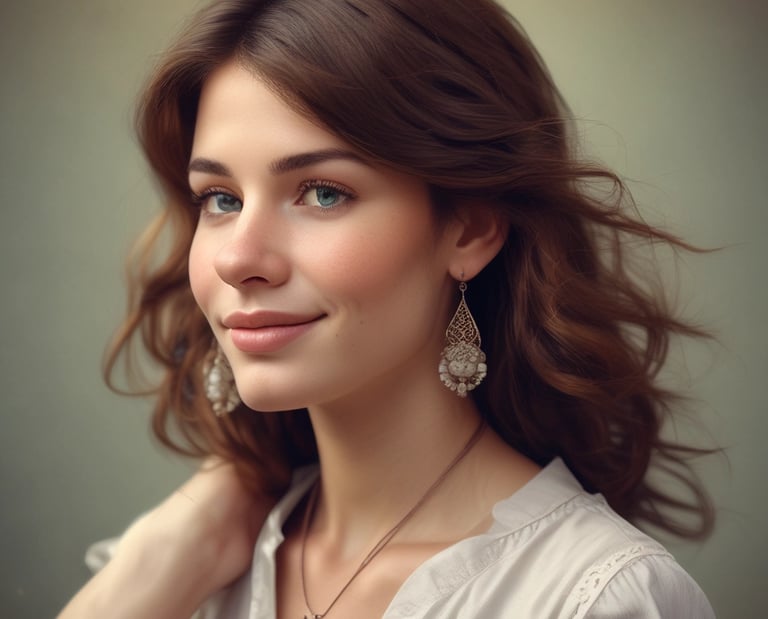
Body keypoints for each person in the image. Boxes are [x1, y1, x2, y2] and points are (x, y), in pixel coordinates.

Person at [58, 0, 717, 617]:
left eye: (322, 193)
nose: (237, 259)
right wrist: (160, 562)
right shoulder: (190, 573)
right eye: (221, 199)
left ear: (469, 229)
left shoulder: (595, 598)